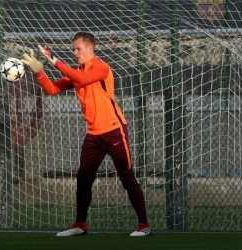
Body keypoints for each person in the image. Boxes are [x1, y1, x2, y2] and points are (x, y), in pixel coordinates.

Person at [21, 31, 151, 237]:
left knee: (127, 177)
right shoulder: (77, 72)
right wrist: (39, 71)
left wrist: (54, 59)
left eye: (78, 48)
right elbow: (52, 90)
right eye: (73, 49)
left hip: (114, 131)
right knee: (83, 180)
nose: (75, 52)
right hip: (93, 136)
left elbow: (82, 78)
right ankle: (80, 224)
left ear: (90, 48)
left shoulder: (101, 67)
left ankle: (144, 225)